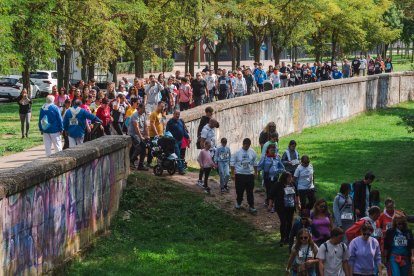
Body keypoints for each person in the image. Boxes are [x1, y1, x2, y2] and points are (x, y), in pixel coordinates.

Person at [269, 171, 298, 246]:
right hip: (281, 206)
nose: (291, 178)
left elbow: (296, 195)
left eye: (291, 177)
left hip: (291, 207)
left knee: (289, 222)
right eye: (289, 177)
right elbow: (271, 196)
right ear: (284, 178)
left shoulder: (293, 184)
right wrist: (270, 205)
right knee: (283, 222)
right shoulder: (278, 185)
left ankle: (287, 238)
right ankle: (282, 238)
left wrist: (298, 203)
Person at [230, 138, 258, 214]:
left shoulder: (252, 152)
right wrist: (233, 173)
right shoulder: (237, 152)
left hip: (249, 174)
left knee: (250, 191)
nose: (247, 147)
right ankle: (238, 202)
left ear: (250, 145)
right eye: (245, 145)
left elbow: (255, 163)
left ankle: (251, 206)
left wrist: (256, 172)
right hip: (240, 174)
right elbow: (232, 163)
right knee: (239, 190)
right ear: (243, 144)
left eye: (248, 145)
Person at [165, 110, 190, 175]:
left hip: (180, 140)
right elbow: (167, 131)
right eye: (176, 114)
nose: (177, 115)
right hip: (174, 141)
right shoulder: (170, 122)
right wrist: (170, 138)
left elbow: (183, 131)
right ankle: (181, 169)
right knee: (178, 154)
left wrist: (187, 137)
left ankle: (174, 167)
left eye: (178, 114)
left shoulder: (180, 121)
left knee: (177, 155)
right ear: (173, 114)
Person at [128, 103, 149, 170]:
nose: (144, 110)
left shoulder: (143, 115)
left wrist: (147, 135)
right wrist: (141, 137)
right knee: (139, 147)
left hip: (140, 134)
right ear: (139, 108)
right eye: (143, 109)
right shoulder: (135, 115)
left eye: (145, 109)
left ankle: (140, 165)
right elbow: (136, 128)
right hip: (134, 134)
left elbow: (145, 126)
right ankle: (131, 161)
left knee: (144, 148)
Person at [147, 101, 166, 167]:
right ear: (158, 106)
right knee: (152, 149)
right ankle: (149, 163)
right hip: (153, 135)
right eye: (161, 106)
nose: (162, 108)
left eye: (163, 107)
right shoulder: (153, 114)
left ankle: (159, 163)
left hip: (160, 135)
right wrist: (156, 134)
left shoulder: (160, 114)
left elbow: (161, 123)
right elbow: (152, 124)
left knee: (159, 150)